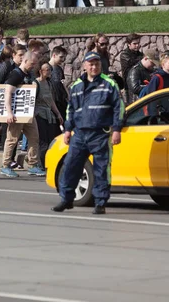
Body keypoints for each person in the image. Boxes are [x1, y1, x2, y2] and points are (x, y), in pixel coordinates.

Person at [52, 51, 123, 214]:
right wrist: (68, 130)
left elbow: (119, 108)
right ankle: (66, 199)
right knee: (70, 166)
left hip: (100, 134)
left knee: (101, 169)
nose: (94, 67)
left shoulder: (109, 84)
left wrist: (116, 130)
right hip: (80, 135)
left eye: (97, 64)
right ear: (85, 66)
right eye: (91, 64)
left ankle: (100, 202)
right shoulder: (77, 86)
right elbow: (71, 109)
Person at [0, 51, 45, 178]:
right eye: (32, 63)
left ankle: (33, 165)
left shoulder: (29, 74)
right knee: (12, 139)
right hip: (16, 113)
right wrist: (9, 113)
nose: (34, 66)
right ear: (25, 61)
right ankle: (6, 166)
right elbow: (8, 92)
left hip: (27, 113)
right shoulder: (16, 74)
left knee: (34, 137)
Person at [35, 62, 63, 167]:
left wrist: (58, 114)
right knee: (43, 142)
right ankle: (40, 164)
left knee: (51, 140)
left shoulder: (49, 83)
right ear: (40, 71)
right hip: (39, 114)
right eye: (47, 69)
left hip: (49, 115)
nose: (49, 71)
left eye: (50, 69)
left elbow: (51, 100)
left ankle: (47, 163)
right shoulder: (36, 84)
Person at [48, 46, 69, 121]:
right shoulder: (46, 68)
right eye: (61, 57)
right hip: (52, 101)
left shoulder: (59, 69)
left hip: (61, 100)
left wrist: (68, 96)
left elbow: (63, 83)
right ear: (54, 55)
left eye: (64, 57)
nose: (63, 60)